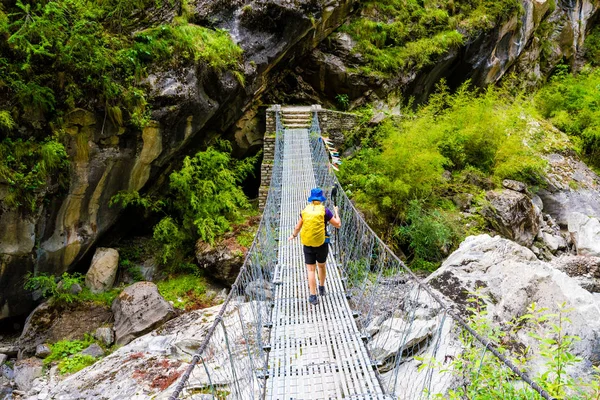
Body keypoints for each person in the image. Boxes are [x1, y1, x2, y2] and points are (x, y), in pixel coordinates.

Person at [288, 188, 341, 305]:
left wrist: (293, 235)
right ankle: (321, 288)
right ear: (321, 199)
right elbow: (338, 224)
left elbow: (298, 227)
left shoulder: (304, 211)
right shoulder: (325, 211)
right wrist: (336, 211)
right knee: (321, 266)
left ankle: (313, 296)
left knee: (311, 270)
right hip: (322, 244)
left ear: (311, 199)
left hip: (307, 244)